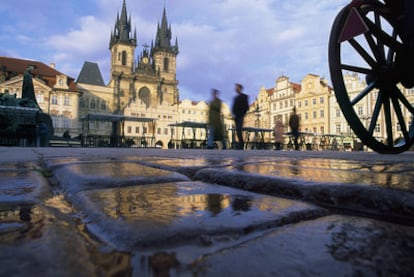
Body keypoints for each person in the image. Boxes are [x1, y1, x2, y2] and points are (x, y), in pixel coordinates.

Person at [232, 83, 249, 150]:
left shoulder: (244, 96)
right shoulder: (235, 98)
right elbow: (233, 107)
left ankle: (241, 144)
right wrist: (233, 114)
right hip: (236, 116)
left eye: (237, 87)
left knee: (239, 129)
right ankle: (240, 143)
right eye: (235, 87)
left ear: (240, 88)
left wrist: (243, 113)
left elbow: (246, 106)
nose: (235, 89)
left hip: (241, 115)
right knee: (237, 130)